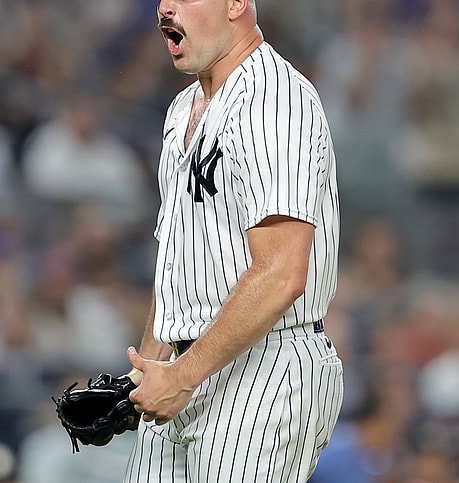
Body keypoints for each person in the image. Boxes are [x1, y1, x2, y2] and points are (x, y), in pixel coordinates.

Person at [123, 0, 343, 480]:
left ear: (236, 4)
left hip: (267, 365)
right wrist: (145, 377)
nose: (165, 7)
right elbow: (180, 265)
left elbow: (282, 273)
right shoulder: (183, 108)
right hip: (190, 364)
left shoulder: (275, 100)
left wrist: (181, 376)